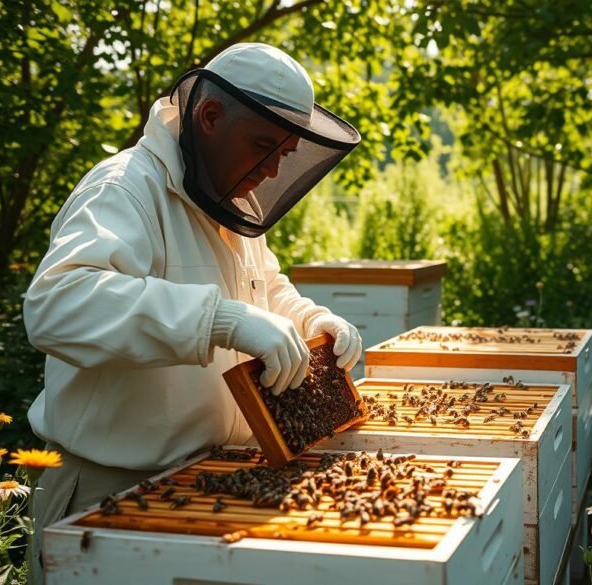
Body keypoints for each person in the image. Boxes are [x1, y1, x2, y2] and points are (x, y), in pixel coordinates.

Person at [22, 43, 362, 580]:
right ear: (209, 117)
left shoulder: (231, 204)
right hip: (108, 492)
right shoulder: (125, 188)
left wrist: (309, 321)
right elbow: (58, 304)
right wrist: (218, 320)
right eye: (262, 145)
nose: (273, 169)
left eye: (285, 151)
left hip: (211, 486)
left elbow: (265, 290)